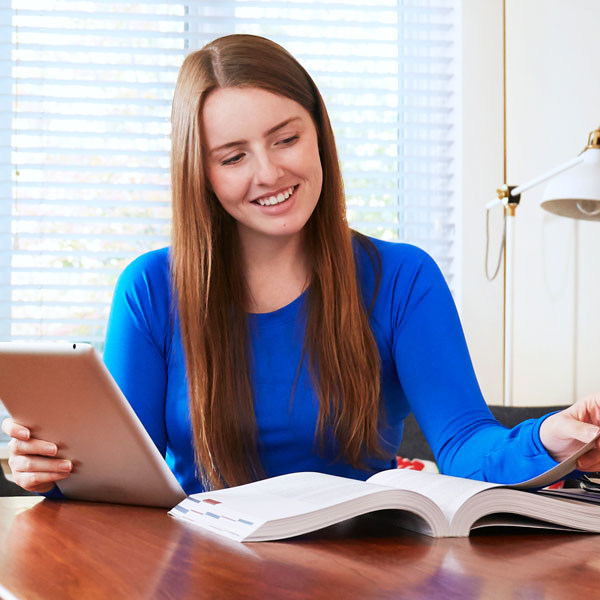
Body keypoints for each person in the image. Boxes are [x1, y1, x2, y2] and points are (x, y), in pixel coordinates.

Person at [3, 34, 600, 496]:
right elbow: (122, 472)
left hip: (359, 565)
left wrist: (550, 437)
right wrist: (51, 468)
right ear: (202, 174)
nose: (269, 173)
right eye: (233, 156)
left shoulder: (402, 278)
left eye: (285, 139)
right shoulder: (151, 289)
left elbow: (467, 444)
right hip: (199, 571)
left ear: (318, 132)